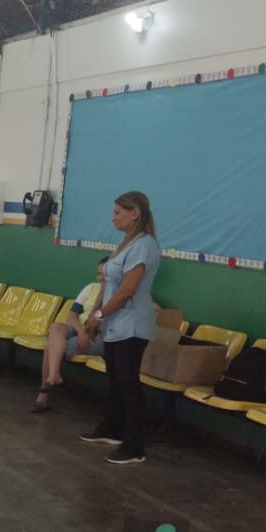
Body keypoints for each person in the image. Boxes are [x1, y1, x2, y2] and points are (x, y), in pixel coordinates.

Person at [81, 191, 161, 465]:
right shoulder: (126, 244)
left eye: (117, 212)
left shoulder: (145, 245)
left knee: (128, 383)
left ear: (134, 213)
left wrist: (101, 314)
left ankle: (134, 446)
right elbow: (108, 284)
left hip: (133, 325)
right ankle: (113, 429)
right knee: (115, 380)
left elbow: (127, 290)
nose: (112, 217)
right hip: (115, 325)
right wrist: (95, 316)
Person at [34, 259, 106, 413]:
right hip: (79, 326)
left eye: (105, 274)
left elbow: (154, 308)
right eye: (99, 273)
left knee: (51, 347)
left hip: (98, 335)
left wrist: (87, 332)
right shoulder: (91, 288)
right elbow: (72, 314)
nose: (101, 278)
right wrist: (80, 331)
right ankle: (54, 376)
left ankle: (44, 394)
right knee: (56, 328)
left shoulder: (118, 293)